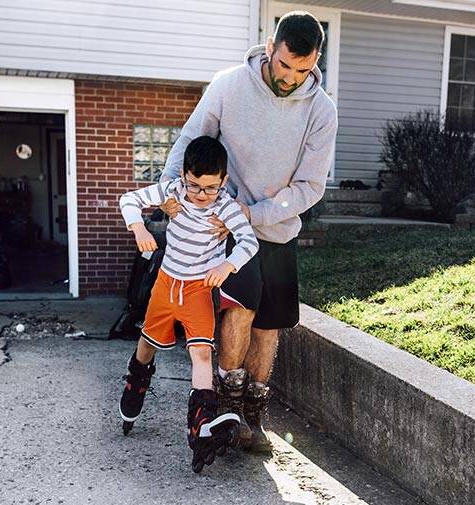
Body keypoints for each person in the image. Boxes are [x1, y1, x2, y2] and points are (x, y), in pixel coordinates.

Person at [159, 11, 338, 452]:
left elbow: (310, 186)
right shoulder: (229, 85)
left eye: (302, 70)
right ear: (270, 47)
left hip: (276, 230)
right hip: (227, 229)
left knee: (268, 327)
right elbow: (190, 141)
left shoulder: (321, 110)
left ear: (315, 62)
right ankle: (228, 408)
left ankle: (255, 417)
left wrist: (256, 213)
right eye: (284, 65)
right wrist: (169, 192)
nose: (290, 78)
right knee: (240, 310)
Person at [118, 135, 259, 473]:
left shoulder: (226, 207)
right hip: (166, 285)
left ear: (223, 180)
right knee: (147, 344)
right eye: (194, 185)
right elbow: (129, 199)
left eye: (210, 188)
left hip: (198, 289)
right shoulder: (173, 191)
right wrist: (139, 229)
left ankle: (202, 423)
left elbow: (249, 241)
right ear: (184, 175)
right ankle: (137, 380)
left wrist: (227, 266)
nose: (201, 194)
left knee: (202, 353)